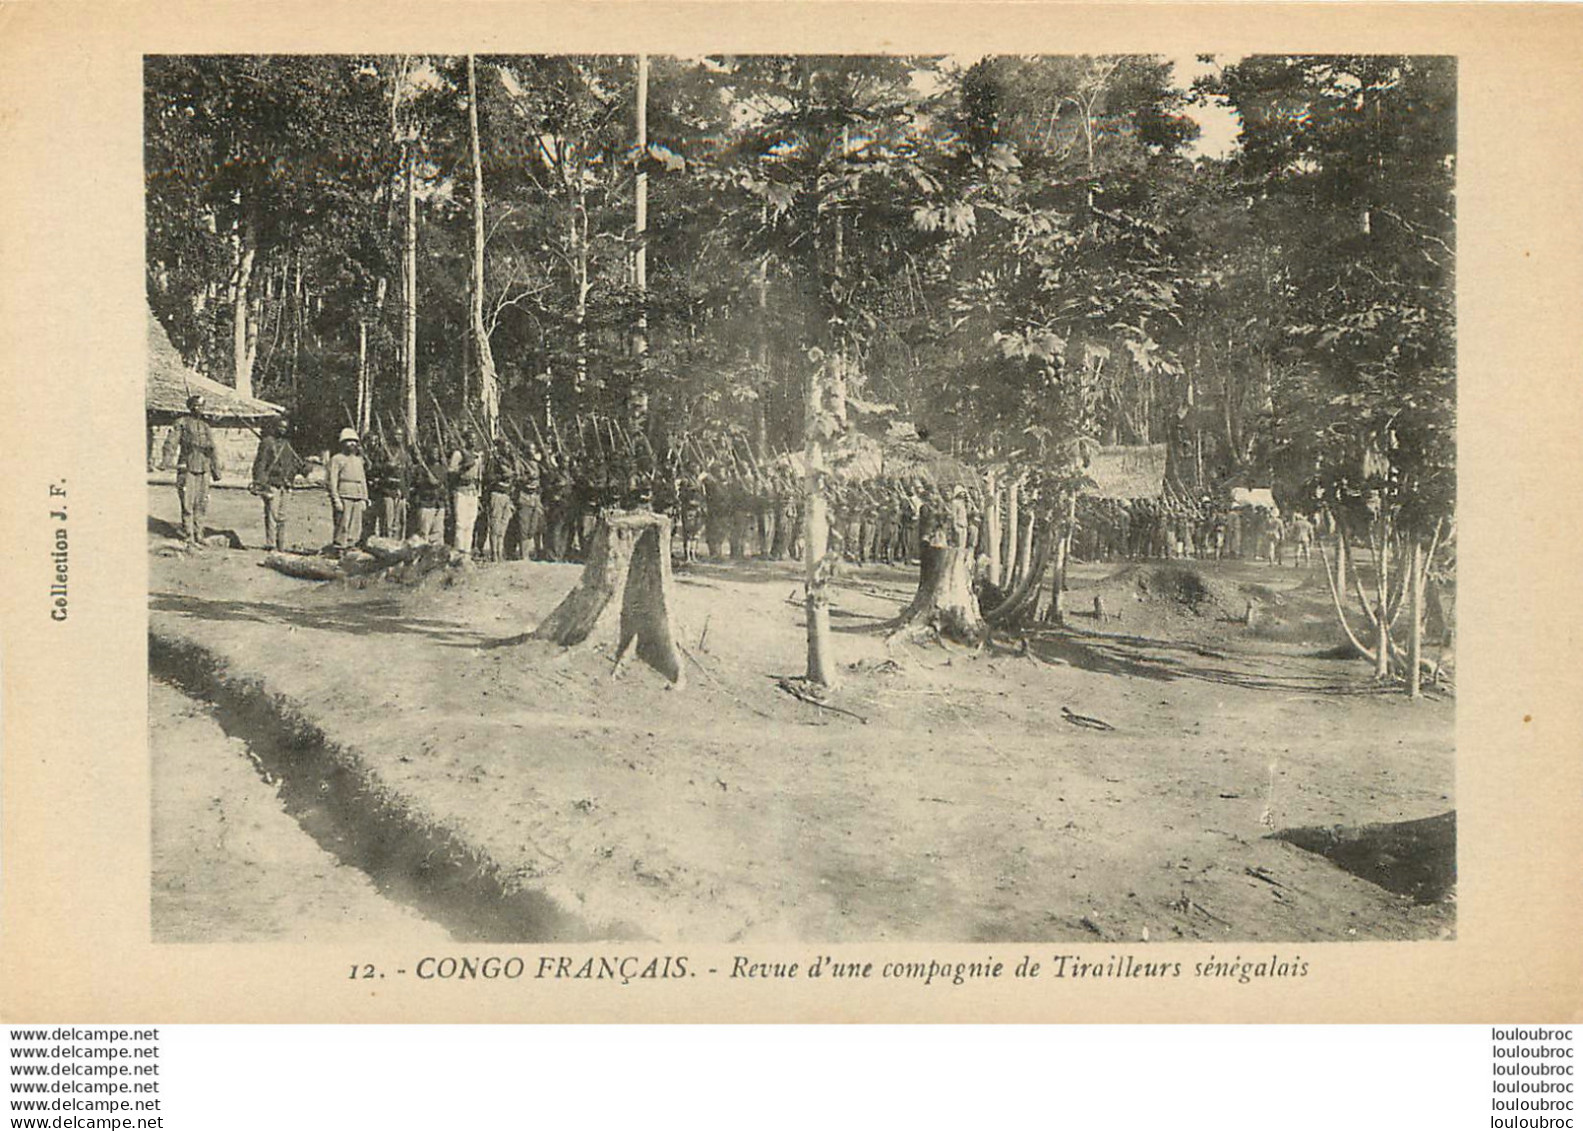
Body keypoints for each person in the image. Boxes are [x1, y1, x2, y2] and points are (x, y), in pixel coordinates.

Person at [162, 394, 223, 547]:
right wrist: (166, 461)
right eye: (196, 405)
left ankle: (199, 533)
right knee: (187, 503)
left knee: (201, 503)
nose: (199, 409)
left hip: (204, 467)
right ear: (190, 407)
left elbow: (212, 449)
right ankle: (189, 535)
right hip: (187, 466)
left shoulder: (205, 426)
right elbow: (171, 443)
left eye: (201, 406)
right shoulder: (181, 423)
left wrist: (216, 470)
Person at [250, 414, 305, 551]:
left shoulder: (288, 444)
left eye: (285, 428)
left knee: (283, 516)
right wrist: (261, 485)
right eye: (280, 427)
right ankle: (270, 544)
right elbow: (260, 465)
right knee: (271, 515)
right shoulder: (268, 442)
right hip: (271, 484)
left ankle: (281, 545)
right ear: (275, 428)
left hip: (286, 485)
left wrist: (304, 468)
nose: (282, 430)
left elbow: (294, 464)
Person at [326, 427, 369, 551]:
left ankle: (351, 547)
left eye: (354, 441)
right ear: (342, 443)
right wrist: (336, 499)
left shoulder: (358, 460)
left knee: (355, 525)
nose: (352, 444)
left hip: (357, 495)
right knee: (342, 525)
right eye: (348, 441)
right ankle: (340, 548)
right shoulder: (337, 459)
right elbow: (332, 480)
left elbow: (363, 480)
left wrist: (364, 499)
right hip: (344, 495)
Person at [447, 429, 485, 556]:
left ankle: (467, 551)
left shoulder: (477, 455)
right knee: (460, 523)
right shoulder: (458, 454)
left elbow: (479, 477)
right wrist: (464, 467)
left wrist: (478, 495)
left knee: (471, 522)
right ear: (465, 439)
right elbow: (451, 471)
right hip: (461, 491)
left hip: (473, 491)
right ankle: (459, 551)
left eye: (475, 439)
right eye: (470, 438)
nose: (473, 441)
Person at [484, 437, 520, 562]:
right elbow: (488, 477)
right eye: (505, 446)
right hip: (497, 493)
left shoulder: (510, 461)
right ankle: (494, 553)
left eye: (509, 446)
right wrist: (501, 475)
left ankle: (500, 551)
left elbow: (516, 476)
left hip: (507, 495)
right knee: (495, 524)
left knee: (504, 525)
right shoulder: (494, 461)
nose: (507, 449)